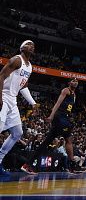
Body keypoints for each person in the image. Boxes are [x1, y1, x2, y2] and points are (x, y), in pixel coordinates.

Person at [21, 78, 80, 174]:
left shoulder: (74, 95)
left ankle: (27, 164)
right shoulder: (66, 90)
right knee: (68, 139)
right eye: (73, 81)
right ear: (69, 83)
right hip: (60, 117)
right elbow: (58, 103)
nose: (75, 82)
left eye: (77, 81)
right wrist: (51, 116)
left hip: (64, 118)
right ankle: (72, 166)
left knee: (48, 142)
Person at [0, 40, 36, 176]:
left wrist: (32, 103)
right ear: (21, 47)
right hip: (3, 95)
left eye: (33, 45)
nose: (31, 46)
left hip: (13, 100)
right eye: (28, 44)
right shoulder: (17, 60)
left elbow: (24, 86)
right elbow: (1, 76)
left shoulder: (30, 67)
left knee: (17, 133)